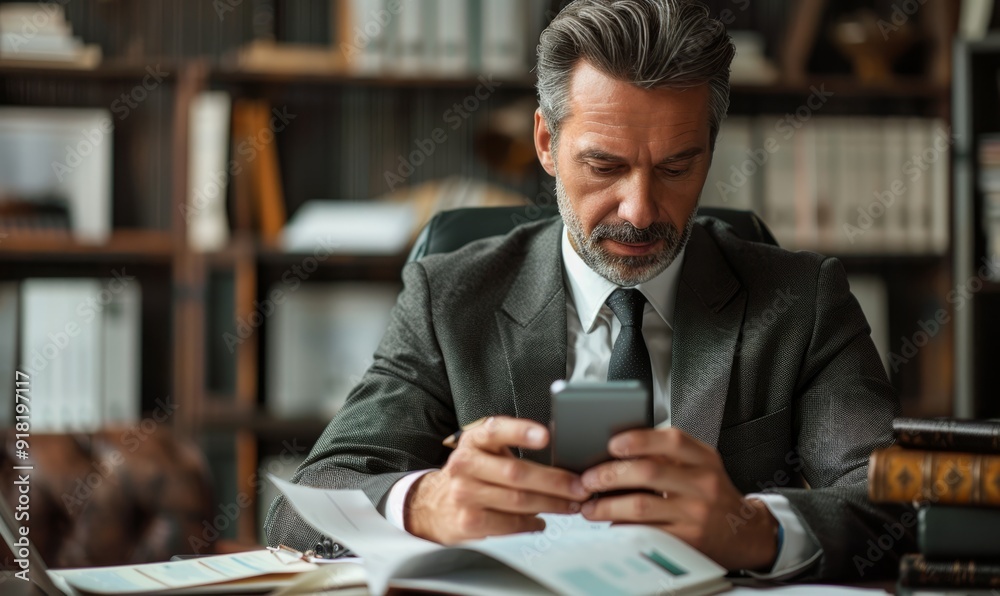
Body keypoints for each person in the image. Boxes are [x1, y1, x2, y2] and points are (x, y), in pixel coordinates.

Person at [266, 0, 913, 581]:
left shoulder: (802, 301)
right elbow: (310, 501)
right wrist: (424, 503)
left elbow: (898, 506)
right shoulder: (450, 297)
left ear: (710, 152)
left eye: (676, 167)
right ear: (546, 143)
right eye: (604, 166)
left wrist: (753, 528)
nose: (638, 209)